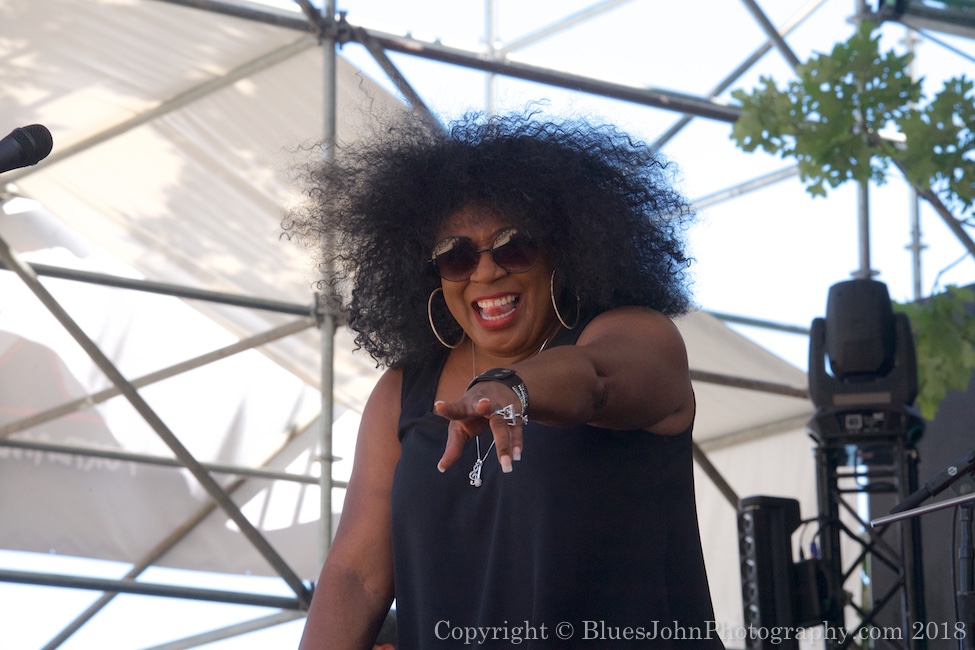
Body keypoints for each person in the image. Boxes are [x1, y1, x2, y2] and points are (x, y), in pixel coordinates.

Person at [288, 109, 724, 649]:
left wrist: (513, 386)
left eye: (513, 245)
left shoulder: (635, 336)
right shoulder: (403, 393)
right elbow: (356, 575)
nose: (486, 272)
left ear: (565, 249)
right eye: (456, 255)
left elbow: (596, 380)